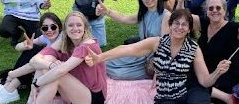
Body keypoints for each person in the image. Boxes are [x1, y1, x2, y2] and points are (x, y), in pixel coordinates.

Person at [86, 9, 231, 104]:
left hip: (188, 91)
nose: (180, 27)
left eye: (184, 25)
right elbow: (128, 49)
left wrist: (218, 71)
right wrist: (100, 57)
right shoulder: (157, 43)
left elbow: (205, 81)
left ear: (189, 29)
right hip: (166, 97)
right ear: (170, 24)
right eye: (176, 23)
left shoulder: (193, 48)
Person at [177, 0, 239, 104]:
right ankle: (225, 97)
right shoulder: (203, 23)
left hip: (224, 75)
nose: (214, 11)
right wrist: (180, 2)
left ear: (224, 10)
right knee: (181, 76)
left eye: (218, 8)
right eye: (211, 8)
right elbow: (182, 17)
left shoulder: (234, 28)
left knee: (188, 82)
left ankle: (223, 96)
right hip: (203, 72)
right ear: (206, 11)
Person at [96, 0, 171, 80]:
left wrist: (158, 70)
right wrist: (107, 11)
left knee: (118, 74)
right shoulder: (143, 14)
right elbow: (124, 18)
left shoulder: (166, 15)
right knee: (107, 63)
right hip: (140, 53)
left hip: (155, 59)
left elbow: (164, 46)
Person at [0, 12, 63, 104]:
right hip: (46, 72)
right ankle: (9, 87)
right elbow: (18, 47)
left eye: (53, 27)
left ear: (59, 27)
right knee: (32, 48)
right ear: (41, 30)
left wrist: (12, 73)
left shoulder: (62, 38)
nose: (49, 30)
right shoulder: (45, 38)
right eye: (45, 28)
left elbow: (34, 64)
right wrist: (24, 45)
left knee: (38, 55)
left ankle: (11, 87)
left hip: (58, 77)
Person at [29, 11, 107, 104]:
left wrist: (36, 83)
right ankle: (31, 101)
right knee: (45, 66)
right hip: (73, 93)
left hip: (94, 96)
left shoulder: (88, 45)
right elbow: (37, 60)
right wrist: (49, 65)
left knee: (57, 76)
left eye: (79, 25)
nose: (75, 28)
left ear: (85, 28)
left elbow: (61, 71)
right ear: (65, 29)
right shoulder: (66, 44)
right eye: (70, 25)